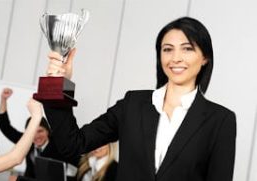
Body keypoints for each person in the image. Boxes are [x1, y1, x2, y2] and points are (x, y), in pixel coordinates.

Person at [44, 17, 237, 181]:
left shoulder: (220, 120)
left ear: (205, 58)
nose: (175, 58)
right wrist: (58, 84)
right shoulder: (133, 104)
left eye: (187, 49)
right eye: (167, 49)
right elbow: (72, 144)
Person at [0, 88, 79, 179]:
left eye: (40, 131)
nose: (37, 136)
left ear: (48, 131)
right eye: (33, 132)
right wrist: (3, 99)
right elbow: (6, 128)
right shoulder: (27, 143)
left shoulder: (59, 146)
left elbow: (81, 163)